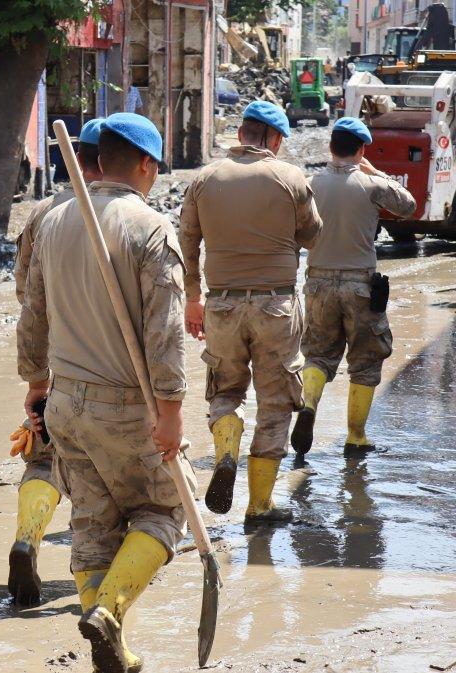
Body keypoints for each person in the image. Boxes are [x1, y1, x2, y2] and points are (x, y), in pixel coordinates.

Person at [17, 112, 195, 673]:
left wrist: (36, 385)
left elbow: (33, 315)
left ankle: (108, 648)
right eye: (156, 167)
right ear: (144, 164)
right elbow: (166, 335)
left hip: (66, 404)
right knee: (165, 511)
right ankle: (110, 616)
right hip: (127, 407)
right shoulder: (150, 229)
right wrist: (171, 413)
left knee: (93, 526)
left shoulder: (53, 221)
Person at [178, 101, 322, 524]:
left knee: (225, 391)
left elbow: (186, 240)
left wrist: (192, 298)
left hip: (220, 303)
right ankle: (259, 505)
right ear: (276, 140)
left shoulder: (204, 179)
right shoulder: (289, 176)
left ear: (241, 134)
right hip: (276, 304)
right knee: (275, 404)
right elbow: (313, 235)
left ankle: (227, 450)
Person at [6, 117, 103, 607]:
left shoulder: (42, 212)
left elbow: (26, 295)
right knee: (98, 470)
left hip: (52, 360)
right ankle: (99, 584)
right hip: (104, 366)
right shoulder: (124, 212)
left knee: (42, 459)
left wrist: (35, 376)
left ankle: (28, 538)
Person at [292, 118, 416, 463]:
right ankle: (356, 436)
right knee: (365, 360)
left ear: (330, 148)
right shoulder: (370, 184)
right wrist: (376, 173)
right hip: (360, 285)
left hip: (317, 282)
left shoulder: (309, 184)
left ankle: (309, 403)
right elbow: (408, 206)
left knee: (317, 353)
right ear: (361, 150)